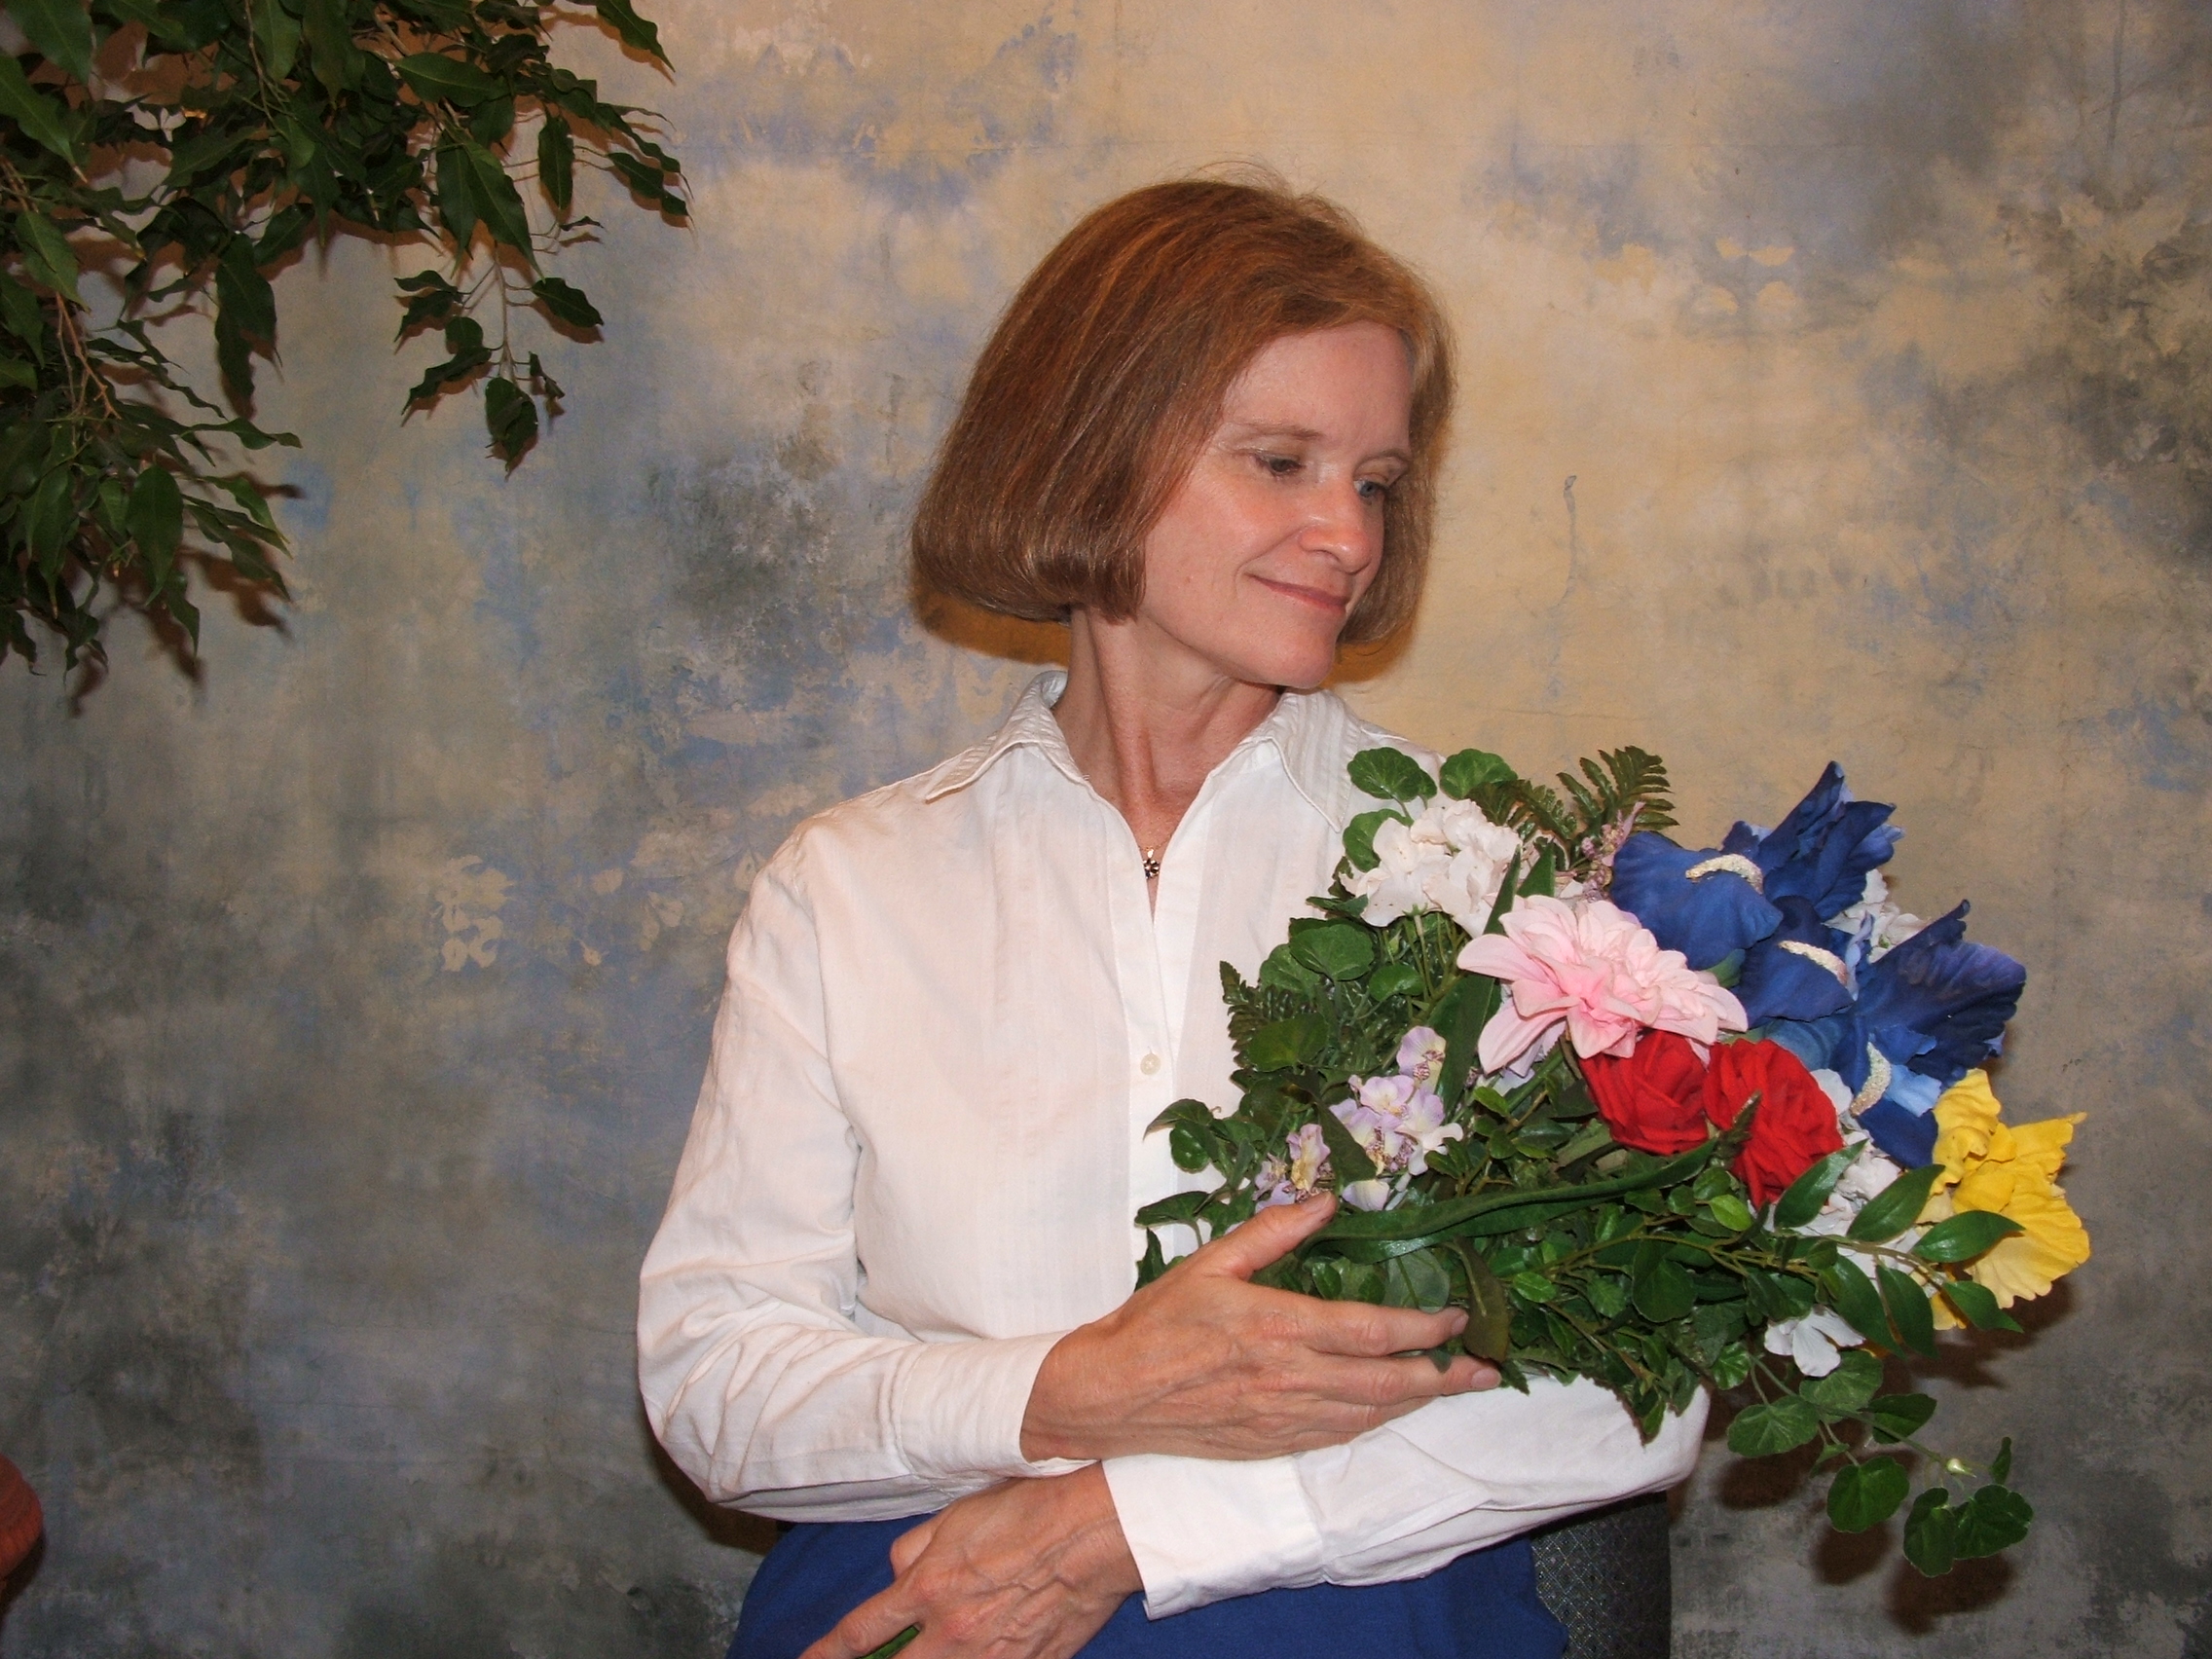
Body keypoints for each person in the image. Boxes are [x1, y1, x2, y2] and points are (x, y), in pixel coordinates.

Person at [638, 177, 1706, 1659]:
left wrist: (1122, 1527)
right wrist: (1076, 1390)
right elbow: (717, 1385)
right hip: (927, 1592)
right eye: (1281, 462)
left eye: (1376, 481)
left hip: (1361, 1610)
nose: (1347, 534)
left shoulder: (1505, 886)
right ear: (1091, 447)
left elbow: (1631, 1392)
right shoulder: (850, 888)